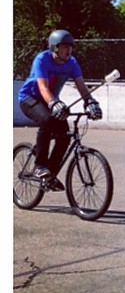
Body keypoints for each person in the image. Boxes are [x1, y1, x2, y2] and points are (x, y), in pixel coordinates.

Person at [18, 29, 102, 191]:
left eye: (70, 46)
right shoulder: (42, 59)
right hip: (30, 99)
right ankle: (39, 166)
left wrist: (90, 102)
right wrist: (54, 104)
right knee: (47, 120)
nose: (68, 50)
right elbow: (42, 87)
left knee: (65, 135)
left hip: (51, 101)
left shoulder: (72, 62)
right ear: (54, 48)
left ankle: (50, 175)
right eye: (64, 47)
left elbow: (81, 87)